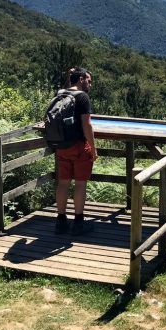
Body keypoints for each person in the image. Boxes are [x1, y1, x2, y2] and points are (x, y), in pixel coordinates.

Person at [54, 67, 98, 235]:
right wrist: (93, 149)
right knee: (80, 183)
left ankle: (60, 221)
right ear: (81, 79)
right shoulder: (83, 97)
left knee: (63, 182)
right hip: (79, 146)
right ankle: (78, 223)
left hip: (62, 146)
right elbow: (87, 125)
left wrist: (69, 75)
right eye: (88, 80)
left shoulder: (60, 94)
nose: (90, 84)